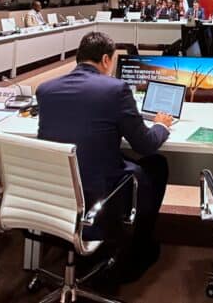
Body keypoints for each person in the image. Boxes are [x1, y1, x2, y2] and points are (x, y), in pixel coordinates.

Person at [36, 32, 172, 281]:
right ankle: (138, 251)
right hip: (100, 193)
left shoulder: (45, 90)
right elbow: (145, 145)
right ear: (106, 59)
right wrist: (162, 125)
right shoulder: (116, 89)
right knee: (157, 165)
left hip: (57, 192)